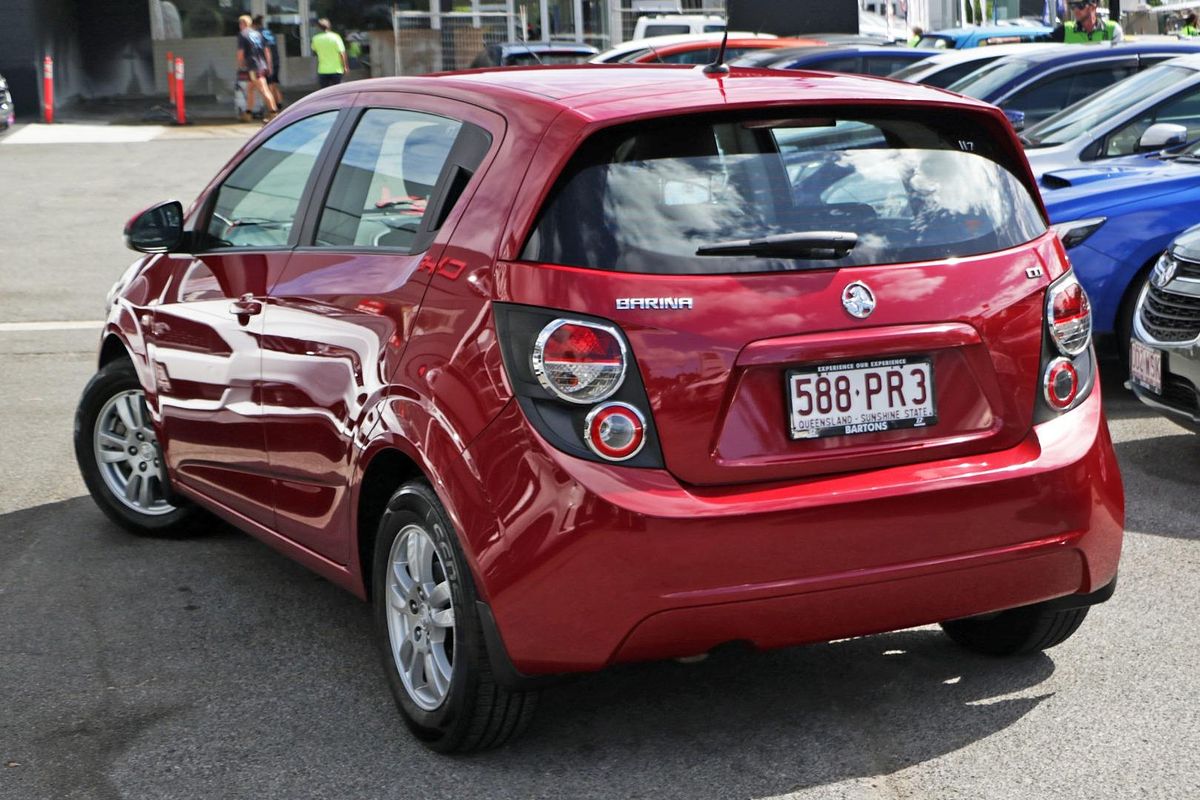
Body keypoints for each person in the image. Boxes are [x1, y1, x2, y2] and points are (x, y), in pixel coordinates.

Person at [237, 14, 278, 122]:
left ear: (243, 24)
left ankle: (273, 113)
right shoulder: (257, 34)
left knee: (263, 90)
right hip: (261, 65)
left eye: (240, 24)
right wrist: (268, 65)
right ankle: (248, 114)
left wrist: (241, 63)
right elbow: (266, 51)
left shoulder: (243, 35)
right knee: (250, 89)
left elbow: (240, 53)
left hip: (253, 67)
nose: (239, 26)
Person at [1051, 0, 1123, 44]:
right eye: (1072, 6)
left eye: (1080, 6)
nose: (1076, 10)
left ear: (1093, 6)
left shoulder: (1113, 29)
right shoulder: (1065, 30)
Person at [253, 14, 285, 110]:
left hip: (267, 62)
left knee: (268, 85)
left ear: (254, 25)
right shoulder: (269, 32)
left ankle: (272, 108)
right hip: (276, 59)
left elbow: (266, 50)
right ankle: (279, 103)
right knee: (274, 83)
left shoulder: (257, 34)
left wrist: (268, 65)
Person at [311, 18, 348, 89]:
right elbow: (342, 53)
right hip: (337, 70)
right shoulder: (336, 37)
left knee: (325, 93)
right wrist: (345, 67)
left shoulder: (315, 38)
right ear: (329, 26)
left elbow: (314, 50)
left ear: (318, 27)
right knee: (337, 91)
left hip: (322, 70)